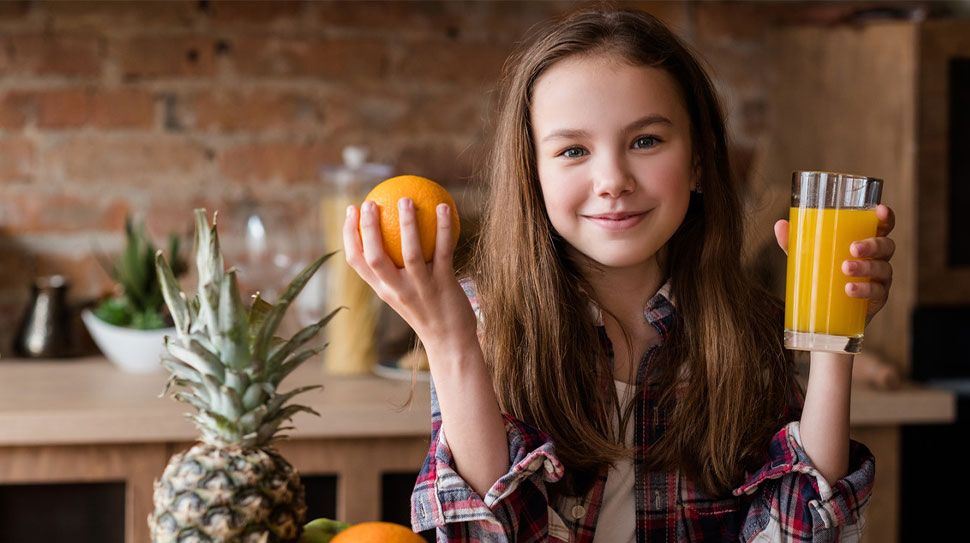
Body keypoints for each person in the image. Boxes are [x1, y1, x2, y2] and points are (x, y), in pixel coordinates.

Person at [343, 8, 895, 543]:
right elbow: (487, 536)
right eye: (573, 150)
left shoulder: (751, 329)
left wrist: (831, 337)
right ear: (531, 175)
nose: (612, 179)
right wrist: (451, 343)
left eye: (645, 141)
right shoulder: (479, 321)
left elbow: (800, 533)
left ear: (700, 159)